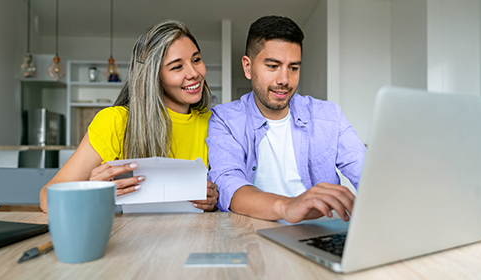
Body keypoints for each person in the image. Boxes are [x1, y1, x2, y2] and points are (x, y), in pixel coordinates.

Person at [40, 20, 218, 213]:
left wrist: (214, 199)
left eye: (196, 59)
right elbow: (47, 198)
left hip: (194, 239)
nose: (194, 73)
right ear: (152, 77)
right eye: (177, 67)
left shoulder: (215, 123)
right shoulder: (115, 122)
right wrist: (92, 193)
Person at [207, 16, 366, 223]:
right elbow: (228, 184)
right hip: (254, 232)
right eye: (273, 66)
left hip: (321, 232)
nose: (284, 80)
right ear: (248, 67)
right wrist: (288, 206)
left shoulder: (329, 116)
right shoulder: (224, 119)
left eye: (293, 68)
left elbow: (368, 174)